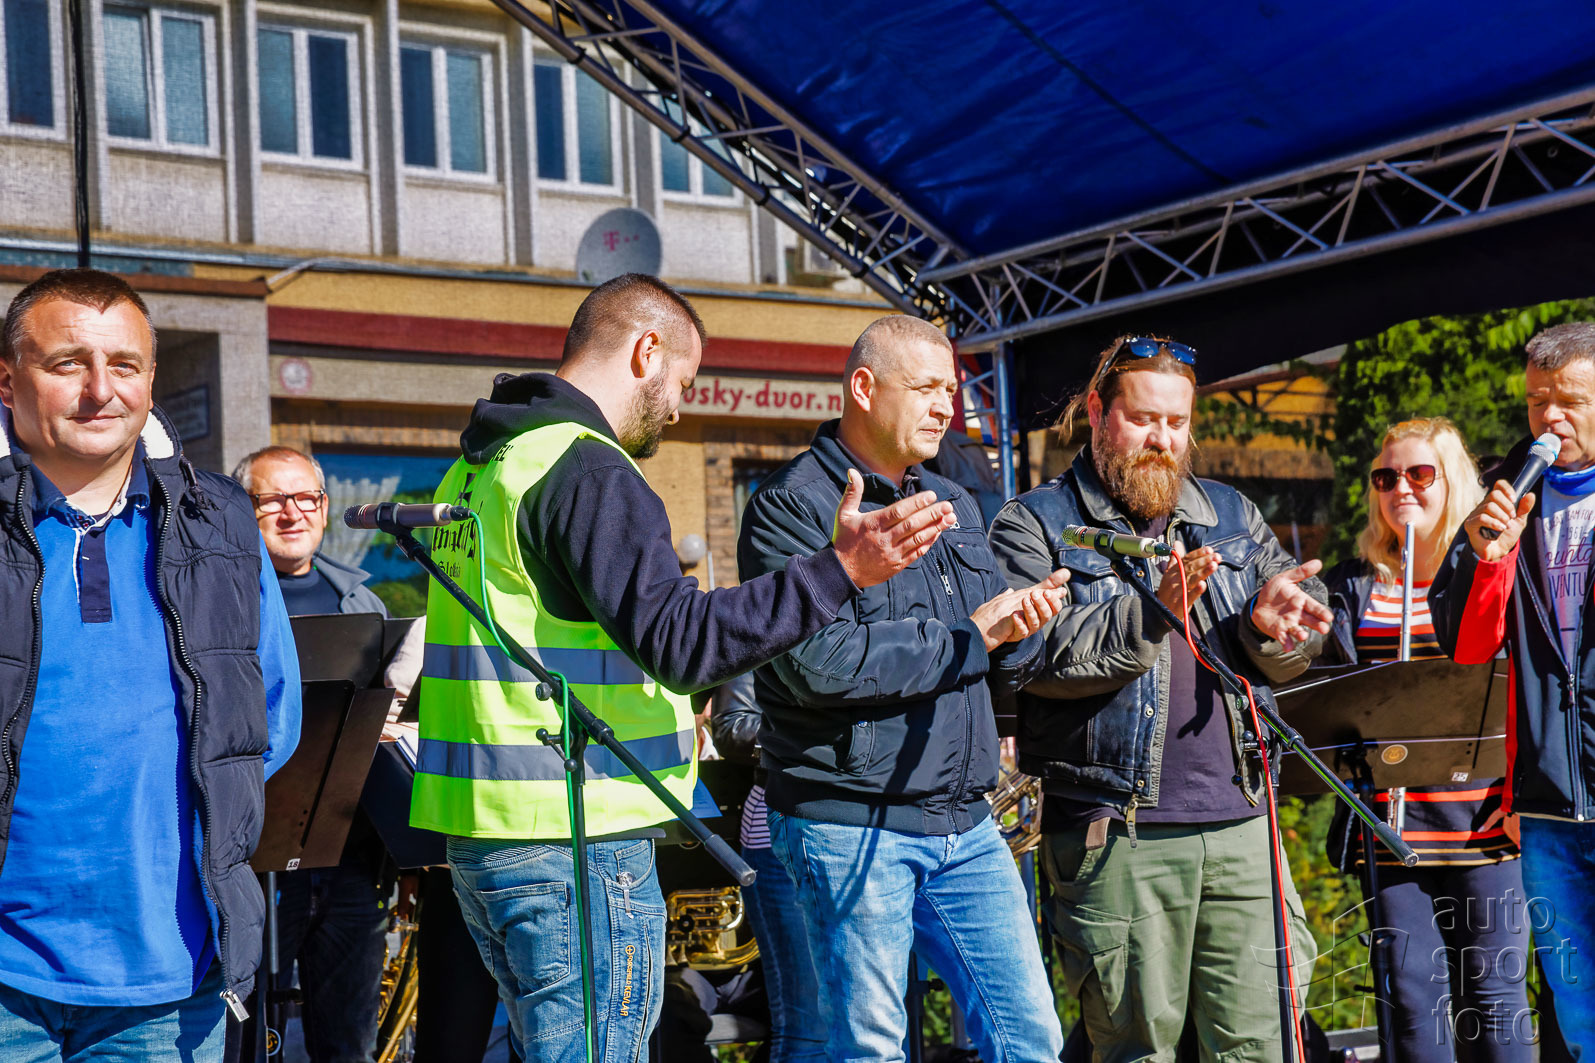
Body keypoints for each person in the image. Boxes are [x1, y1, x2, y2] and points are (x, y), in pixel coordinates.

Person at [412, 273, 957, 1062]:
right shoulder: (588, 467)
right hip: (576, 830)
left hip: (487, 832)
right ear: (646, 350)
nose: (677, 408)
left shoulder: (485, 463)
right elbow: (679, 641)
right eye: (683, 382)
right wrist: (839, 570)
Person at [988, 334, 1330, 1063]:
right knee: (1138, 1050)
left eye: (1177, 423)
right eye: (1143, 418)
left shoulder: (1229, 513)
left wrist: (1270, 627)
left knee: (1263, 1044)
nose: (1162, 439)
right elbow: (1026, 655)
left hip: (1244, 823)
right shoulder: (1035, 523)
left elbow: (1294, 632)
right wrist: (1152, 614)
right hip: (1118, 832)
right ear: (1096, 412)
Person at [738, 313, 1069, 1063]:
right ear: (863, 387)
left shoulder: (956, 502)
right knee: (871, 1050)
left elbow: (986, 655)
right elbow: (818, 662)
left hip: (965, 822)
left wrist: (1022, 628)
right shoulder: (792, 506)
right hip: (849, 822)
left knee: (1029, 1038)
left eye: (951, 390)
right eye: (925, 388)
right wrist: (972, 637)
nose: (945, 406)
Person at [0, 268, 301, 1060]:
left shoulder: (221, 524)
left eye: (124, 364)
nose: (101, 390)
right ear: (8, 378)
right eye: (68, 363)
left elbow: (266, 722)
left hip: (171, 987)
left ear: (151, 378)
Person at [1321, 417, 1530, 1062]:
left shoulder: (1497, 569)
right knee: (1413, 1002)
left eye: (1419, 474)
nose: (1400, 489)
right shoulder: (1353, 584)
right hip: (1391, 831)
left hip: (1484, 824)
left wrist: (1524, 792)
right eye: (1386, 478)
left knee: (1495, 998)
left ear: (1455, 481)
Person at [1431, 321, 1595, 1057]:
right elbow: (1468, 645)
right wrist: (1489, 556)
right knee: (1579, 1010)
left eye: (1569, 401)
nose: (1548, 418)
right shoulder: (1507, 496)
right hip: (1550, 805)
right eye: (1536, 401)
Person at [232, 445, 392, 1063]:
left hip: (350, 859)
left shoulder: (362, 602)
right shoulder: (223, 599)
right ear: (243, 509)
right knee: (249, 1039)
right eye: (272, 499)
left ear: (324, 508)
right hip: (254, 862)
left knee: (348, 1044)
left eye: (306, 498)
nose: (292, 512)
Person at [707, 672, 824, 1063]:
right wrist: (826, 726)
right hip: (784, 820)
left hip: (872, 821)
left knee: (863, 1016)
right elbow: (732, 727)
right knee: (808, 1024)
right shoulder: (763, 627)